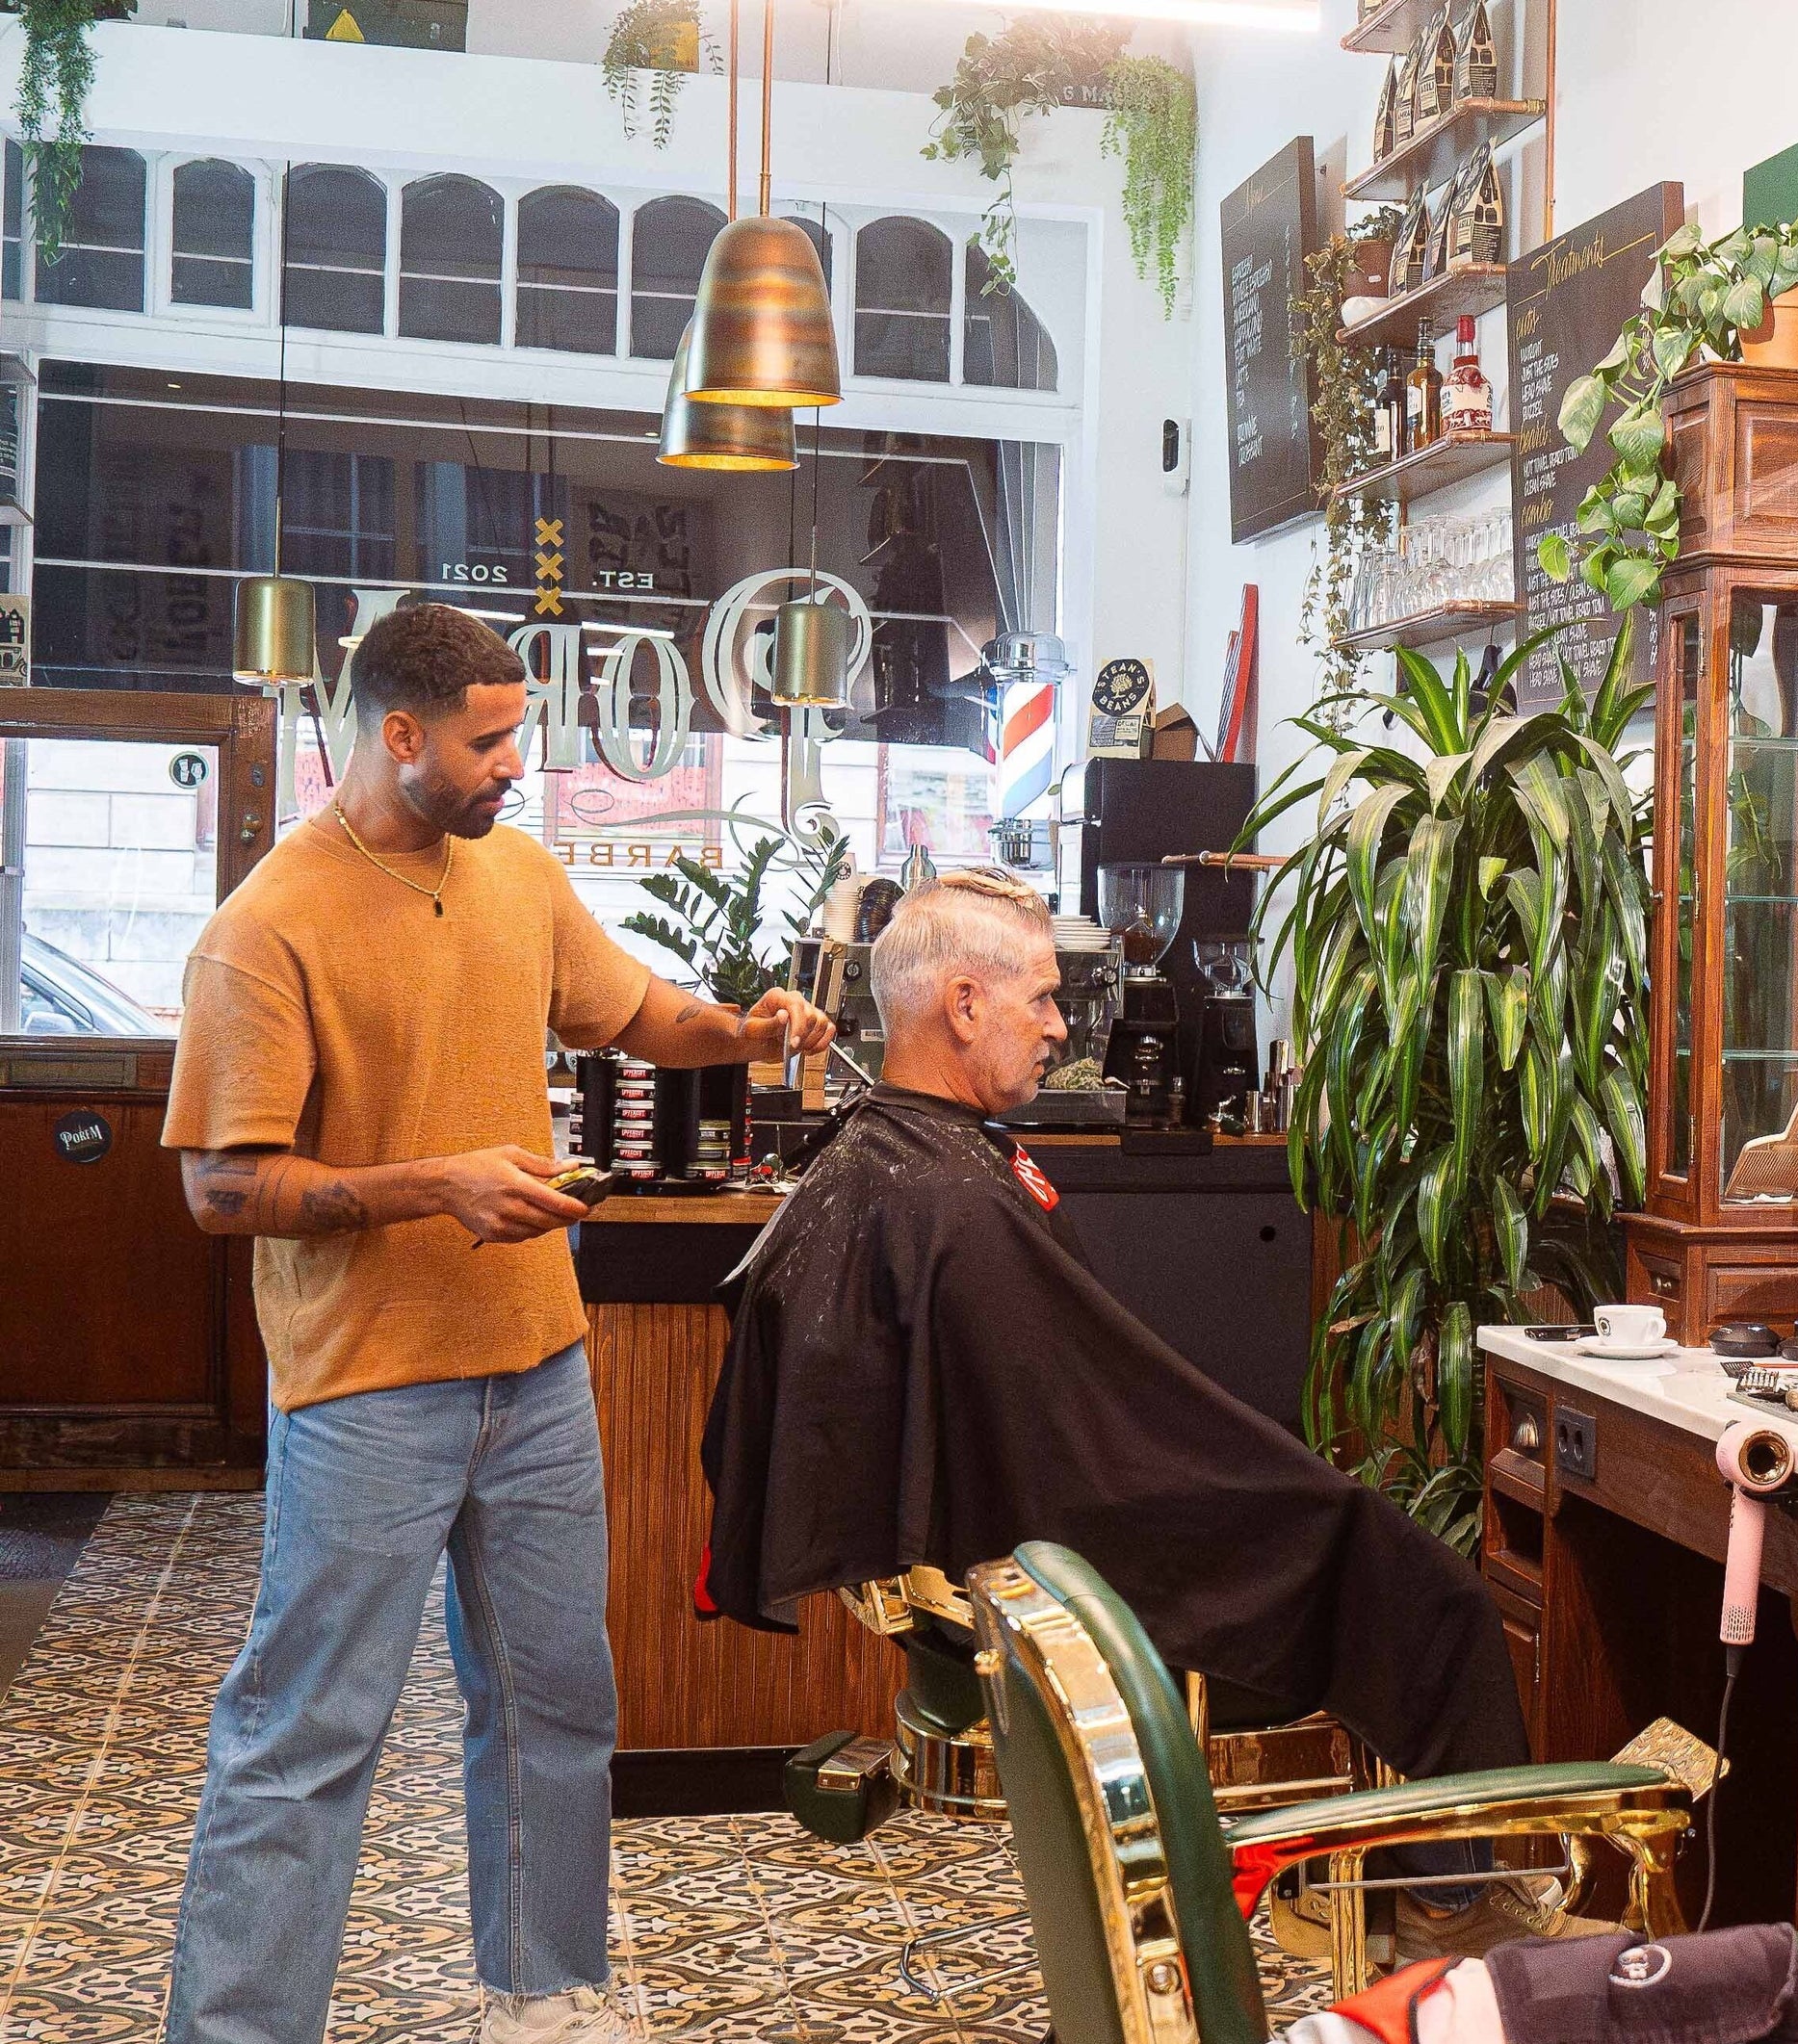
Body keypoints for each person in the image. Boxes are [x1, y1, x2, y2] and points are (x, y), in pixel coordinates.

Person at [159, 603, 835, 2044]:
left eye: (519, 730)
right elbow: (223, 1187)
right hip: (364, 1390)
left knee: (556, 1705)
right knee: (308, 1736)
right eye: (492, 737)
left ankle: (548, 1997)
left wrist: (747, 1027)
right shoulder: (265, 927)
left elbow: (631, 1009)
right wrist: (433, 1185)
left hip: (538, 1370)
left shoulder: (516, 873)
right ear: (399, 734)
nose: (518, 761)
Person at [697, 869, 1551, 1959]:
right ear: (963, 1005)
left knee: (1343, 1520)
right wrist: (1293, 1490)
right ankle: (1452, 1900)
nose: (1060, 1028)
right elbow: (1094, 1452)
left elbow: (1073, 1416)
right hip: (1083, 1582)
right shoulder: (948, 1198)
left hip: (1015, 1566)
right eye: (1044, 999)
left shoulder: (879, 1164)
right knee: (1436, 1597)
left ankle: (1421, 1891)